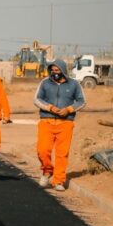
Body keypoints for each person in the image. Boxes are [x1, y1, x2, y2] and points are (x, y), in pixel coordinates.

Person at [34, 59, 86, 191]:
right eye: (52, 70)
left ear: (63, 71)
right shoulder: (45, 83)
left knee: (62, 154)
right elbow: (37, 99)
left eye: (57, 70)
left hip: (66, 123)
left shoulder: (74, 84)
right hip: (46, 121)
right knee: (42, 150)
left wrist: (69, 109)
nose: (55, 72)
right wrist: (50, 107)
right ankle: (47, 171)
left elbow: (82, 101)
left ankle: (59, 181)